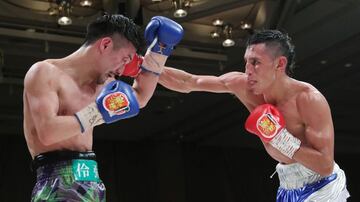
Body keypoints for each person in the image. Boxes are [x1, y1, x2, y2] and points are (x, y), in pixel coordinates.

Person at [159, 29, 350, 201]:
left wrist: (279, 138)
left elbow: (325, 165)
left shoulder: (309, 100)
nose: (247, 71)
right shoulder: (243, 85)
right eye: (247, 62)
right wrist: (147, 63)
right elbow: (189, 82)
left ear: (280, 64)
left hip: (323, 186)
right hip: (287, 186)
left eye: (256, 63)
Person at [23, 14, 183, 201]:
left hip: (91, 180)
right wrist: (98, 112)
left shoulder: (102, 84)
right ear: (105, 44)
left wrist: (159, 52)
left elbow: (138, 98)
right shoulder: (44, 72)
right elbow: (48, 132)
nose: (123, 70)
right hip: (57, 180)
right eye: (125, 59)